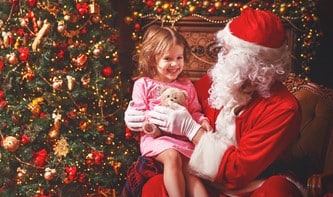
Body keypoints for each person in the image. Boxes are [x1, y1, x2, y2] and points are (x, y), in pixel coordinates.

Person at [125, 8, 306, 196]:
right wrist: (136, 119)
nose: (221, 57)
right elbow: (173, 102)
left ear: (253, 64)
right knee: (156, 186)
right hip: (203, 179)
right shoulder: (221, 80)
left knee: (278, 190)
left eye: (228, 52)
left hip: (252, 184)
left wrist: (191, 129)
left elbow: (237, 171)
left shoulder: (283, 109)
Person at [124, 25, 212, 197]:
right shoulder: (144, 84)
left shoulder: (186, 85)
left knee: (191, 171)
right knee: (172, 156)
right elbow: (140, 114)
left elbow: (194, 111)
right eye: (167, 59)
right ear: (152, 60)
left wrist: (202, 120)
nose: (175, 64)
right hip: (157, 139)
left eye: (179, 57)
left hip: (183, 139)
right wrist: (150, 121)